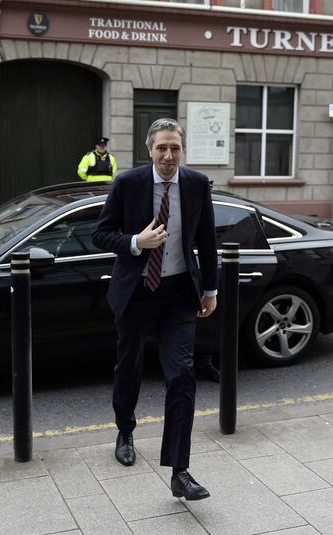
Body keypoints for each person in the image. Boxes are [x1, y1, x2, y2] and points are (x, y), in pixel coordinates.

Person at [92, 118, 218, 501]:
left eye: (174, 148)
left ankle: (180, 471)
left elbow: (207, 240)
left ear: (182, 151)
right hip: (136, 292)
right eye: (161, 148)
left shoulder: (196, 185)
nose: (167, 155)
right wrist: (136, 241)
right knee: (128, 365)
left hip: (179, 293)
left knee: (181, 375)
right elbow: (100, 234)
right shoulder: (128, 183)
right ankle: (125, 430)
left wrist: (210, 289)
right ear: (150, 150)